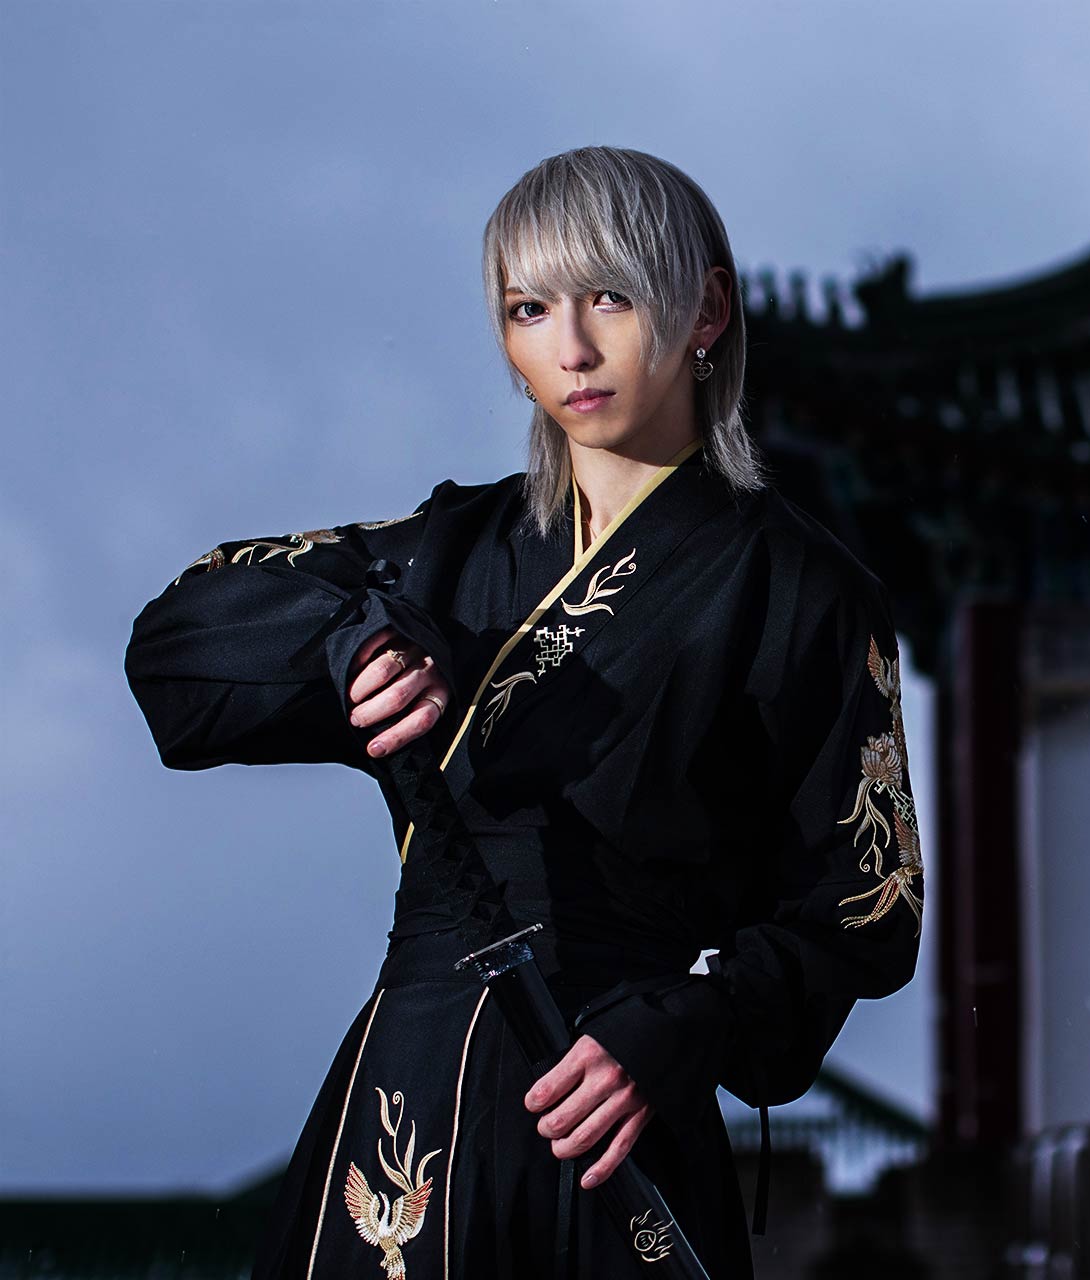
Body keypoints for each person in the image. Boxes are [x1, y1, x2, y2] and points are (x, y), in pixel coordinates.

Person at [123, 145, 924, 1279]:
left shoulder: (808, 593)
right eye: (530, 308)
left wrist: (684, 1025)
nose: (572, 348)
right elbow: (176, 639)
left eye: (612, 297)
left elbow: (866, 911)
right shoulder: (447, 557)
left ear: (706, 308)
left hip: (618, 1111)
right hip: (407, 1102)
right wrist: (354, 645)